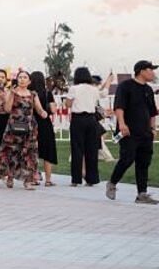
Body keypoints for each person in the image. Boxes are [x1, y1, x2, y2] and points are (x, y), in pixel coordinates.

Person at [106, 60, 158, 204]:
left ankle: (142, 194)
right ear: (141, 71)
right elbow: (119, 107)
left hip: (145, 133)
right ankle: (112, 183)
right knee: (127, 159)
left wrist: (153, 129)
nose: (153, 72)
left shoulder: (148, 90)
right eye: (150, 69)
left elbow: (152, 112)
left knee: (144, 162)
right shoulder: (126, 87)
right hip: (128, 131)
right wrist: (122, 124)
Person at [0, 71, 44, 190]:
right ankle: (9, 177)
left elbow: (39, 109)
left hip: (29, 128)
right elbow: (7, 109)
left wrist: (44, 113)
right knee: (11, 152)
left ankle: (28, 181)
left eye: (25, 77)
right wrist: (11, 94)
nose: (22, 79)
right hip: (13, 127)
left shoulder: (33, 94)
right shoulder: (12, 92)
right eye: (20, 77)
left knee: (29, 154)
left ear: (29, 81)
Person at [66, 66, 102, 187]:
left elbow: (68, 104)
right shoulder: (94, 89)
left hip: (78, 119)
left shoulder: (74, 88)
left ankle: (76, 179)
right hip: (92, 120)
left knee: (77, 149)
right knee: (91, 149)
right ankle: (92, 179)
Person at [30, 71, 58, 187]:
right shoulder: (47, 93)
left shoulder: (29, 94)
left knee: (33, 152)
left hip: (31, 124)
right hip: (45, 124)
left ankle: (34, 179)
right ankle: (48, 180)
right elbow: (53, 109)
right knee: (47, 152)